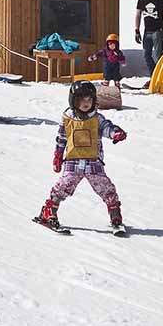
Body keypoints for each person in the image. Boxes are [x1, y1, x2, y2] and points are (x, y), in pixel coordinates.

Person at [34, 81, 128, 233]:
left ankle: (115, 214)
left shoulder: (97, 118)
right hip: (73, 162)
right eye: (81, 100)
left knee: (106, 188)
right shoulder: (68, 118)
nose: (86, 103)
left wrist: (115, 132)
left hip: (93, 162)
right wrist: (57, 156)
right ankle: (48, 212)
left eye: (89, 100)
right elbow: (61, 138)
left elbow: (107, 127)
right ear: (73, 100)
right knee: (63, 187)